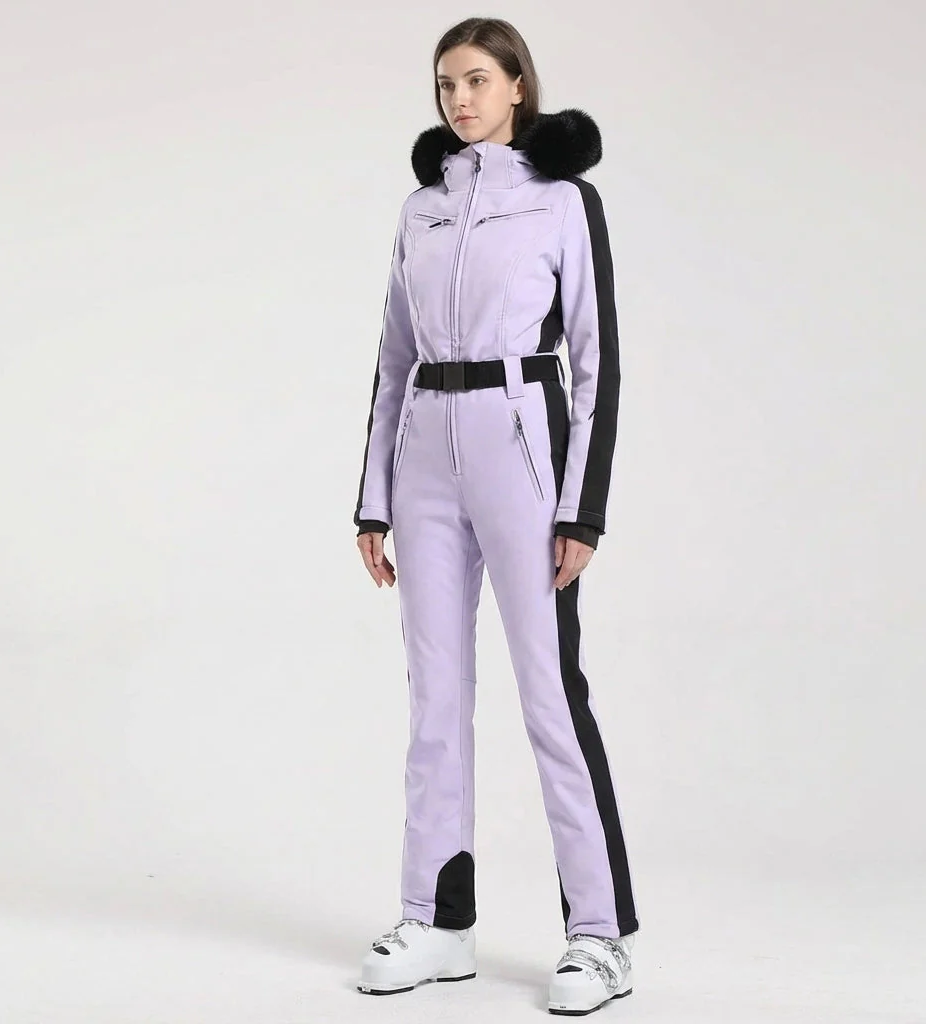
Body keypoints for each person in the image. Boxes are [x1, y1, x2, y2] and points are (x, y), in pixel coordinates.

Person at [352, 16, 639, 1016]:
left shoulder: (563, 200)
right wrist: (373, 500)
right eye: (446, 85)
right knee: (434, 697)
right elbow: (393, 357)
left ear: (518, 86)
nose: (459, 99)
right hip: (425, 455)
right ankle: (438, 922)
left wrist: (581, 509)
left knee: (549, 693)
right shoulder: (421, 208)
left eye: (477, 80)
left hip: (523, 447)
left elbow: (595, 360)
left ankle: (599, 935)